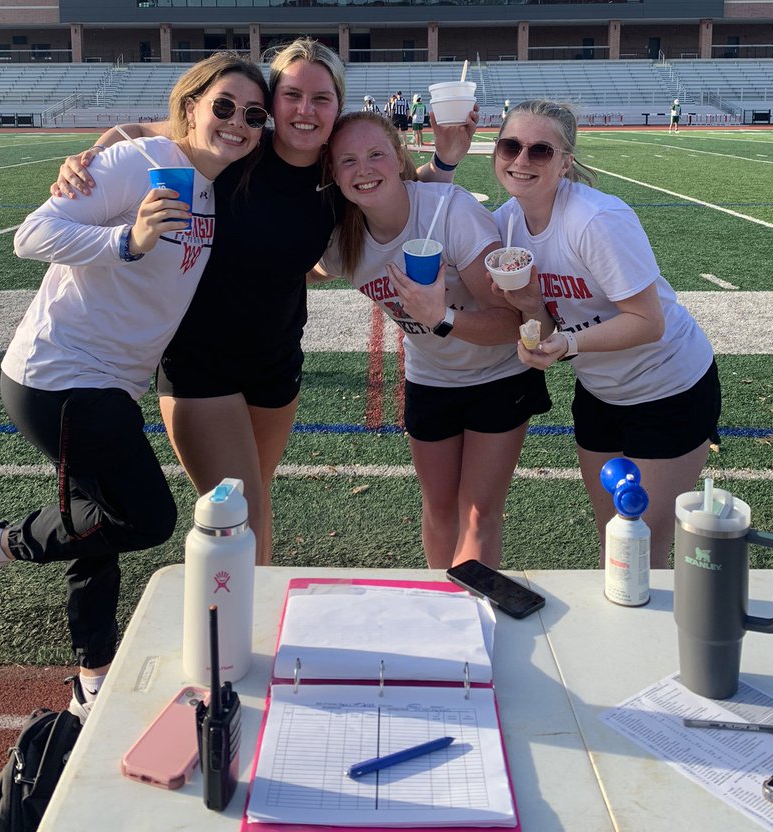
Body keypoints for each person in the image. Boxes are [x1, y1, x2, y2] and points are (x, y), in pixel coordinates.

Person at [49, 39, 477, 565]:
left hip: (275, 363)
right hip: (199, 363)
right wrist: (91, 155)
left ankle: (248, 630)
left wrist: (446, 159)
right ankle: (224, 639)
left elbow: (403, 198)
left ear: (337, 105)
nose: (305, 109)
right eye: (292, 94)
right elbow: (142, 136)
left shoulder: (337, 168)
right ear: (273, 103)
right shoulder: (236, 143)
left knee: (257, 508)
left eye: (321, 98)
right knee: (237, 516)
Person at [0, 53, 269, 720]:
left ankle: (93, 676)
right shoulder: (133, 164)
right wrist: (129, 239)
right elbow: (32, 236)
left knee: (105, 519)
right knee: (145, 516)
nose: (237, 122)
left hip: (111, 385)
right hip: (60, 376)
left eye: (253, 114)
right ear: (194, 105)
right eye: (225, 106)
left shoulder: (210, 184)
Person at [311, 112, 551, 569]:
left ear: (399, 157)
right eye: (347, 161)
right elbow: (300, 271)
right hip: (430, 378)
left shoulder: (451, 211)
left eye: (376, 154)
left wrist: (440, 317)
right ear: (333, 175)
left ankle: (475, 618)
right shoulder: (343, 241)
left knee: (479, 514)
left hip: (498, 374)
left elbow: (512, 323)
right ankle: (442, 608)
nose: (364, 170)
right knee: (440, 510)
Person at [488, 99, 720, 568]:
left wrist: (568, 344)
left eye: (540, 151)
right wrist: (533, 313)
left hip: (668, 388)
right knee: (614, 538)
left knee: (642, 546)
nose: (521, 160)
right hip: (600, 391)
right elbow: (547, 316)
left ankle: (650, 640)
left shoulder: (595, 219)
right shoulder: (506, 223)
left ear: (565, 162)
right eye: (510, 145)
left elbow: (648, 322)